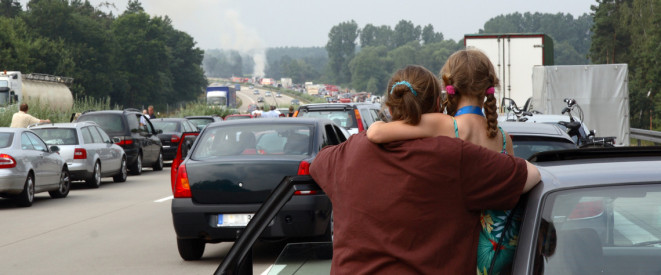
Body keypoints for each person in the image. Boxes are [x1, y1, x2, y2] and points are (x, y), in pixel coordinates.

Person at [310, 65, 541, 274]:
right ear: (437, 107)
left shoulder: (350, 151)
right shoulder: (456, 156)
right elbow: (531, 175)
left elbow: (317, 164)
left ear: (389, 108)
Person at [366, 49, 518, 274]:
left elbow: (376, 134)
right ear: (488, 86)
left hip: (458, 252)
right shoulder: (504, 138)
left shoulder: (445, 125)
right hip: (497, 255)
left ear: (450, 86)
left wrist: (377, 124)